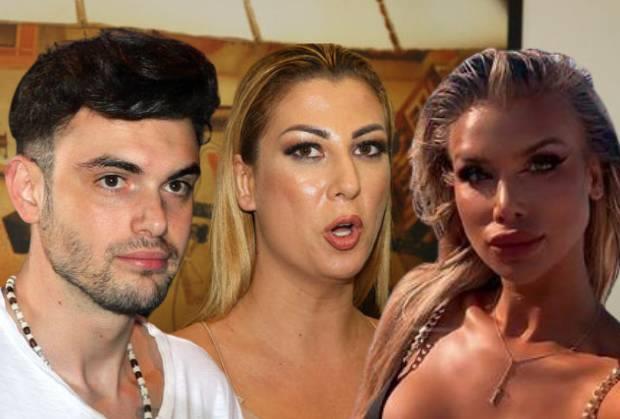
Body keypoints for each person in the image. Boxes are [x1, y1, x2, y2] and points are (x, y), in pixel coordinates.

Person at [353, 49, 620, 419]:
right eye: (477, 173)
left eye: (541, 164)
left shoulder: (610, 386)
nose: (505, 205)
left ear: (594, 176)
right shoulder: (422, 309)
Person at [1, 29, 242, 418]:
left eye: (176, 185)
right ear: (28, 191)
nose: (157, 221)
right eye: (113, 181)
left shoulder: (201, 386)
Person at [175, 44, 393, 418]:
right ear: (246, 182)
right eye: (307, 151)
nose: (349, 182)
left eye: (368, 148)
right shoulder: (171, 379)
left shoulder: (426, 368)